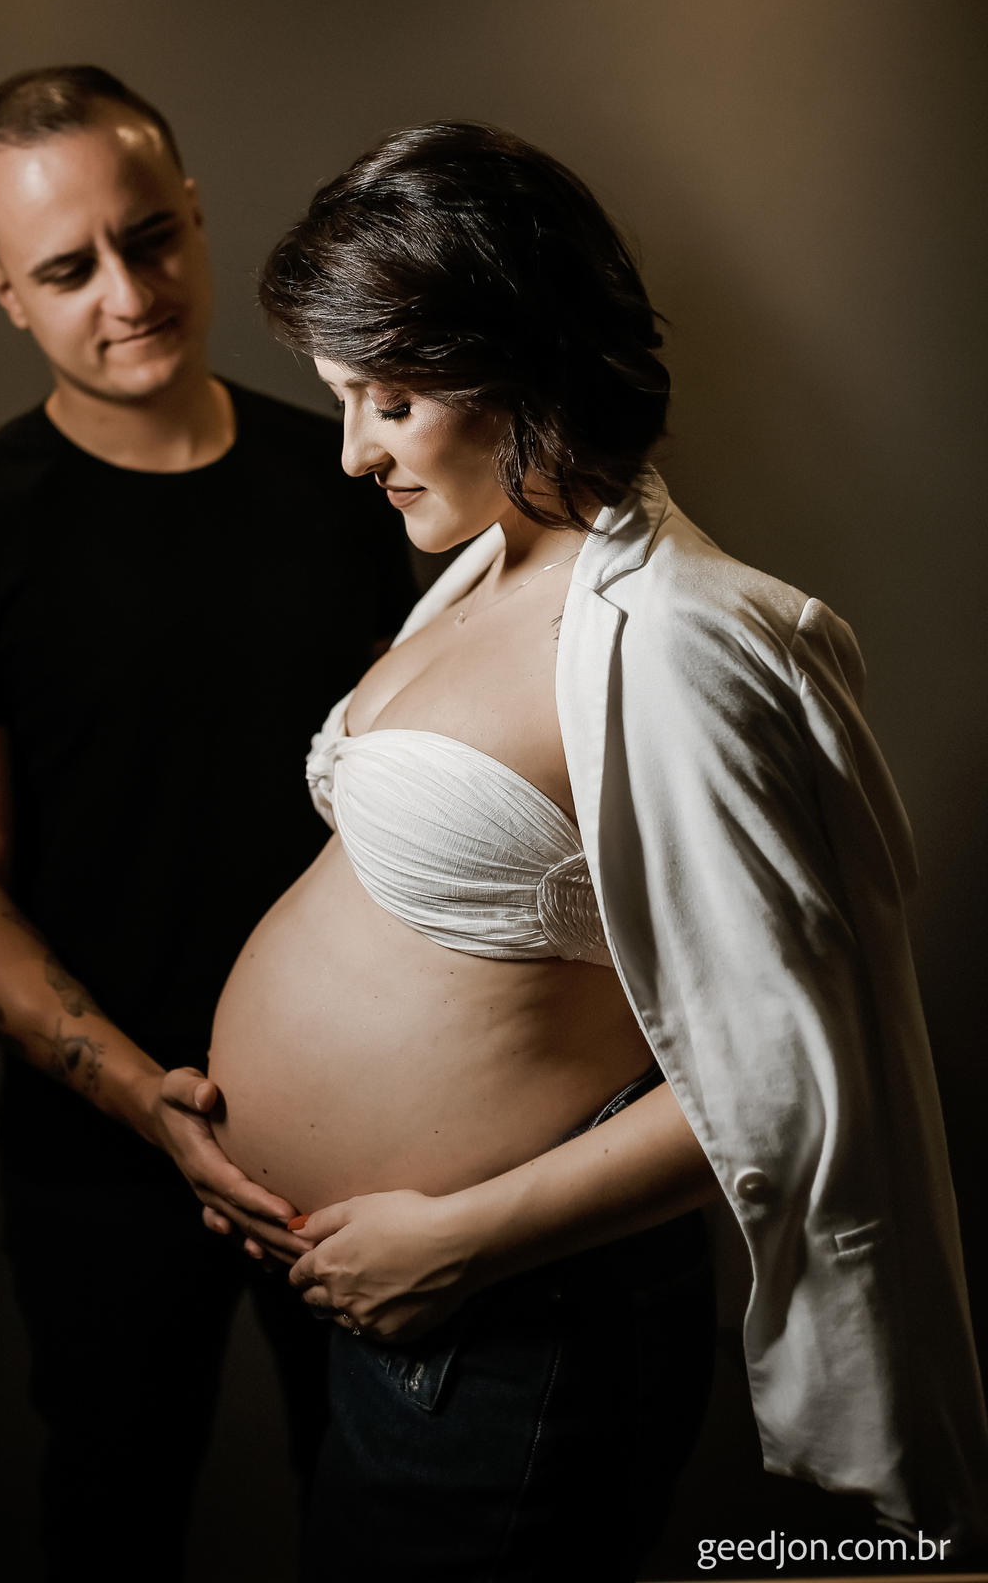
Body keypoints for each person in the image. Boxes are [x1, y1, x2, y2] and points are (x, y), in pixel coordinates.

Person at [170, 122, 988, 1580]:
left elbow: (791, 1081)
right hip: (399, 1316)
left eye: (392, 399)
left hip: (512, 1326)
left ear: (523, 363)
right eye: (343, 398)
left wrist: (457, 1243)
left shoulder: (694, 637)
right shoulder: (488, 560)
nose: (354, 451)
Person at [0, 66, 416, 1582]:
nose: (129, 291)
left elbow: (422, 816)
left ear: (196, 216)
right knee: (113, 1516)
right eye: (67, 269)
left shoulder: (354, 481)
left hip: (365, 1137)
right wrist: (147, 1107)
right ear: (5, 293)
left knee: (380, 1519)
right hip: (99, 1155)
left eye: (151, 236)